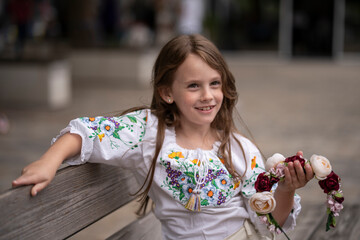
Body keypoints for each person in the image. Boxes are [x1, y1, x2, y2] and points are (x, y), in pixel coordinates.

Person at [12, 34, 314, 240]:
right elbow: (87, 131)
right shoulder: (148, 131)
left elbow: (268, 219)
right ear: (167, 92)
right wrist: (48, 161)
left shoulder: (239, 147)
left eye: (215, 83)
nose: (208, 95)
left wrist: (286, 188)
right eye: (193, 85)